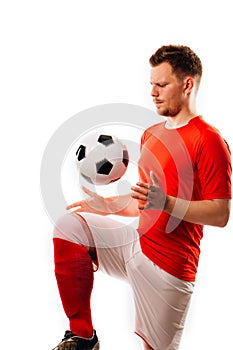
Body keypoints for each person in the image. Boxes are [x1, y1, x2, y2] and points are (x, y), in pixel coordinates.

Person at [51, 45, 232, 350]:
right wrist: (107, 205)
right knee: (70, 227)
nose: (153, 92)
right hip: (136, 243)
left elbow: (221, 214)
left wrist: (168, 203)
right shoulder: (150, 134)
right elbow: (145, 201)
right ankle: (82, 336)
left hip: (170, 267)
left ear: (186, 85)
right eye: (151, 84)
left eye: (161, 85)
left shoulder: (209, 140)